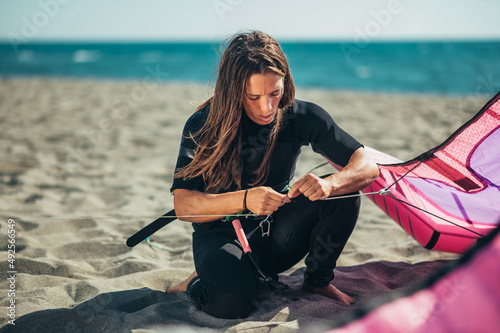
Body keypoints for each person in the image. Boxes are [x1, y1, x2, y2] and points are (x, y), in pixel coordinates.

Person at [167, 31, 379, 319]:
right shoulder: (203, 125)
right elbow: (183, 206)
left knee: (345, 194)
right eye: (253, 96)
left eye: (274, 93)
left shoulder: (300, 116)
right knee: (230, 306)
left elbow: (367, 164)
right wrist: (245, 200)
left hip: (279, 234)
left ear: (285, 83)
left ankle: (317, 282)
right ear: (233, 89)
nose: (267, 107)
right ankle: (194, 281)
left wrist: (331, 184)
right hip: (223, 235)